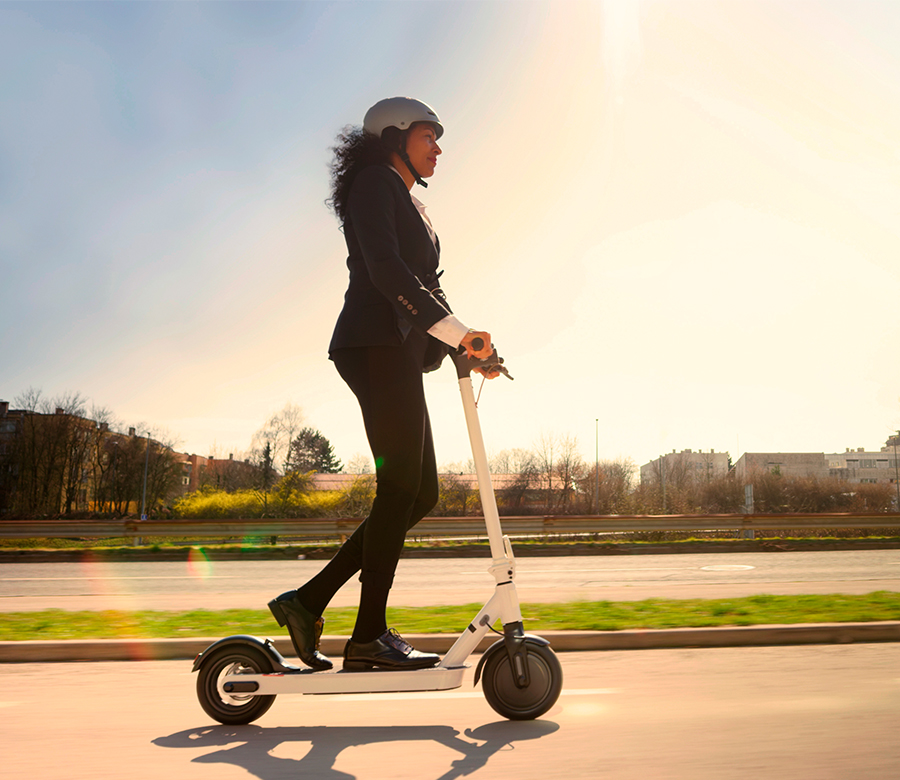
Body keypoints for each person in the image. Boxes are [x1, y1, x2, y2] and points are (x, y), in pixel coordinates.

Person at [268, 97, 497, 672]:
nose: (438, 147)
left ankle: (308, 601)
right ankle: (367, 635)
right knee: (399, 489)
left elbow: (428, 288)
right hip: (374, 344)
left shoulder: (412, 203)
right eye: (428, 135)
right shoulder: (374, 183)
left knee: (420, 494)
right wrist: (459, 334)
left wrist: (468, 347)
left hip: (397, 351)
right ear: (395, 137)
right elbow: (386, 270)